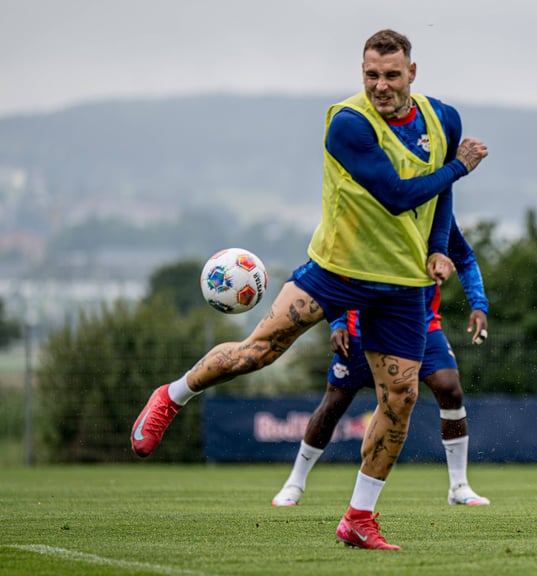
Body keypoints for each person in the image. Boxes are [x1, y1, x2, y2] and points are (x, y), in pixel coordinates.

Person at [130, 29, 489, 550]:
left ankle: (359, 518)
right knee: (258, 352)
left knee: (402, 397)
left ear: (413, 73)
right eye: (371, 75)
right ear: (361, 73)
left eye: (391, 75)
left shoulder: (443, 119)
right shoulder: (348, 124)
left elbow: (441, 194)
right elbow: (395, 194)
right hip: (337, 270)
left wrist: (438, 247)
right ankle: (171, 395)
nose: (381, 86)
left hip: (402, 285)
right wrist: (462, 164)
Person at [272, 219, 491, 508]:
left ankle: (459, 486)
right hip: (362, 325)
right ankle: (295, 483)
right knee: (334, 403)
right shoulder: (372, 209)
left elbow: (464, 257)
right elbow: (337, 270)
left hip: (420, 326)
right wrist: (338, 321)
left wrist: (478, 304)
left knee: (450, 389)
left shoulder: (436, 214)